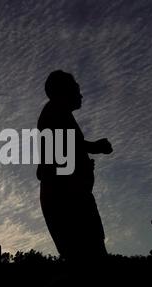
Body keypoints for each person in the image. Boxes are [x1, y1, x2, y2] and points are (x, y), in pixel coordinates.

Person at [37, 70, 113, 263]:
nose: (81, 95)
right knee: (89, 258)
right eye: (76, 89)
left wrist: (85, 161)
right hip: (70, 200)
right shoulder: (55, 112)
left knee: (84, 258)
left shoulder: (57, 114)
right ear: (63, 91)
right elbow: (65, 146)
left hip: (71, 197)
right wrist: (92, 149)